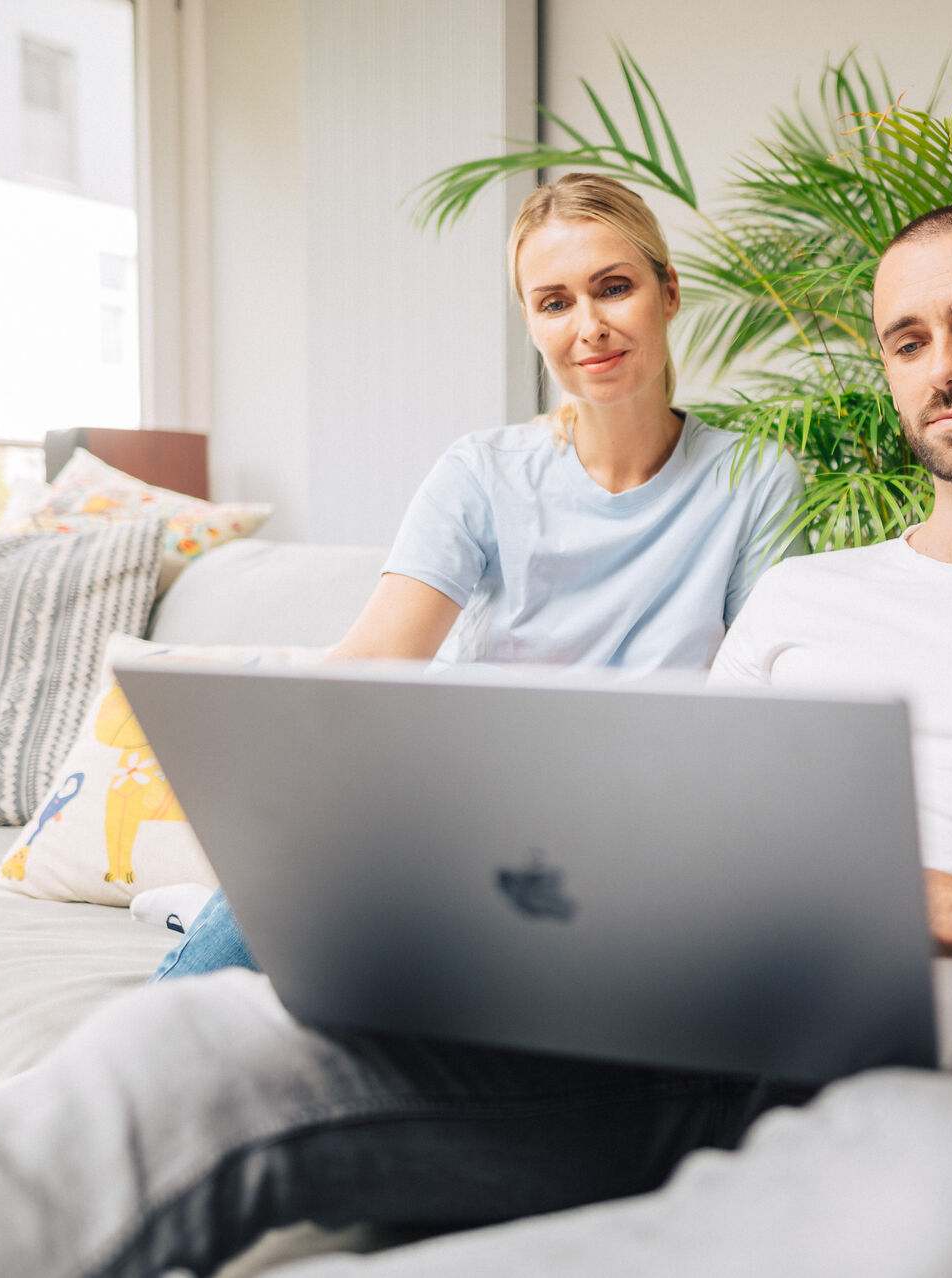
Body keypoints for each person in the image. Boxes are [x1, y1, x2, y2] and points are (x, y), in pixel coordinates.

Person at [0, 206, 952, 1278]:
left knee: (940, 1216)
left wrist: (941, 906)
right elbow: (700, 813)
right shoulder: (808, 594)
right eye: (908, 338)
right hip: (652, 1012)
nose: (943, 365)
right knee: (186, 1042)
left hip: (937, 1054)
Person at [150, 170, 806, 981]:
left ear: (667, 293)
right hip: (462, 810)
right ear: (530, 321)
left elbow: (753, 715)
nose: (590, 326)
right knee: (301, 870)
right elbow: (376, 662)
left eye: (614, 288)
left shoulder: (754, 476)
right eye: (555, 302)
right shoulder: (482, 472)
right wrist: (272, 798)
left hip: (637, 829)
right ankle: (94, 1080)